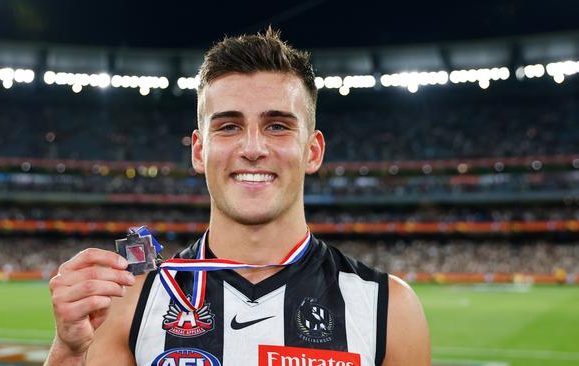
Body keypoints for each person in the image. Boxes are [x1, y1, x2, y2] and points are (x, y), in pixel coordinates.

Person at [45, 28, 430, 366]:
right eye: (229, 126)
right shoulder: (132, 300)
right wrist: (67, 351)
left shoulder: (389, 307)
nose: (252, 148)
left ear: (313, 151)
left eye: (277, 126)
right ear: (199, 151)